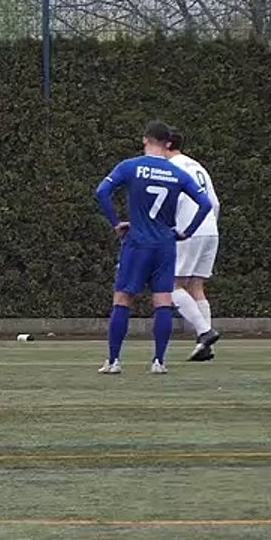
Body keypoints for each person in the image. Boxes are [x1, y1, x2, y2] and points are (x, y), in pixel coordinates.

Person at [94, 120, 211, 375]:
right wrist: (186, 232)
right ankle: (159, 361)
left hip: (137, 242)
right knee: (162, 301)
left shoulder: (130, 166)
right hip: (165, 245)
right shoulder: (178, 174)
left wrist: (116, 223)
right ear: (167, 143)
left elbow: (102, 191)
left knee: (123, 298)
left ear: (145, 139)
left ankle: (113, 361)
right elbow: (205, 204)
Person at [165, 129, 221, 361]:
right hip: (210, 229)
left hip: (188, 230)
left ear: (166, 145)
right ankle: (205, 346)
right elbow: (214, 202)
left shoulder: (172, 168)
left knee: (171, 285)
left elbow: (171, 200)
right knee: (196, 286)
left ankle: (205, 332)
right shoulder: (198, 166)